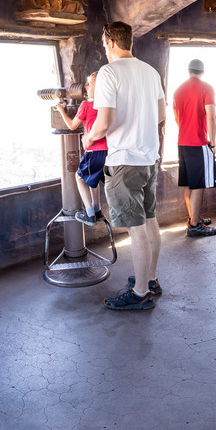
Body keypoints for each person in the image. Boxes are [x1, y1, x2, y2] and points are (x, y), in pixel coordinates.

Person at [84, 22, 166, 310]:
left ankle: (141, 293)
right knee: (150, 220)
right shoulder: (150, 71)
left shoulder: (109, 72)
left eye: (103, 42)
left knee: (136, 229)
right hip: (148, 159)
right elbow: (159, 116)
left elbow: (103, 123)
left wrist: (88, 138)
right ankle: (151, 279)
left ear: (110, 41)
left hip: (124, 161)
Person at [172, 59, 216, 238]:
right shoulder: (207, 88)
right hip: (199, 142)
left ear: (188, 70)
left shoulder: (178, 90)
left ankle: (194, 217)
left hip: (182, 142)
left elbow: (177, 118)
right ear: (203, 71)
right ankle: (194, 225)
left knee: (188, 183)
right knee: (198, 185)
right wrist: (212, 142)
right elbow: (212, 117)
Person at [54, 72, 106, 225]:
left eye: (90, 84)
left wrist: (61, 110)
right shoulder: (106, 106)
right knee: (93, 179)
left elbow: (72, 126)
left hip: (93, 150)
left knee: (79, 177)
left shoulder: (86, 105)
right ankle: (97, 210)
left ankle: (89, 214)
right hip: (108, 151)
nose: (86, 86)